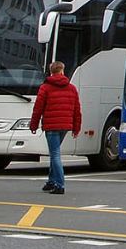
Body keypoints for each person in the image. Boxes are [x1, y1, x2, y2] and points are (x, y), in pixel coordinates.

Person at [29, 61, 82, 196]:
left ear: (51, 71)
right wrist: (76, 128)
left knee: (55, 155)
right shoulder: (71, 88)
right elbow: (77, 110)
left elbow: (38, 108)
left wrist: (33, 125)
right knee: (55, 153)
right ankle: (51, 181)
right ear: (62, 71)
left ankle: (59, 184)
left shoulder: (45, 88)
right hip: (65, 125)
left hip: (51, 125)